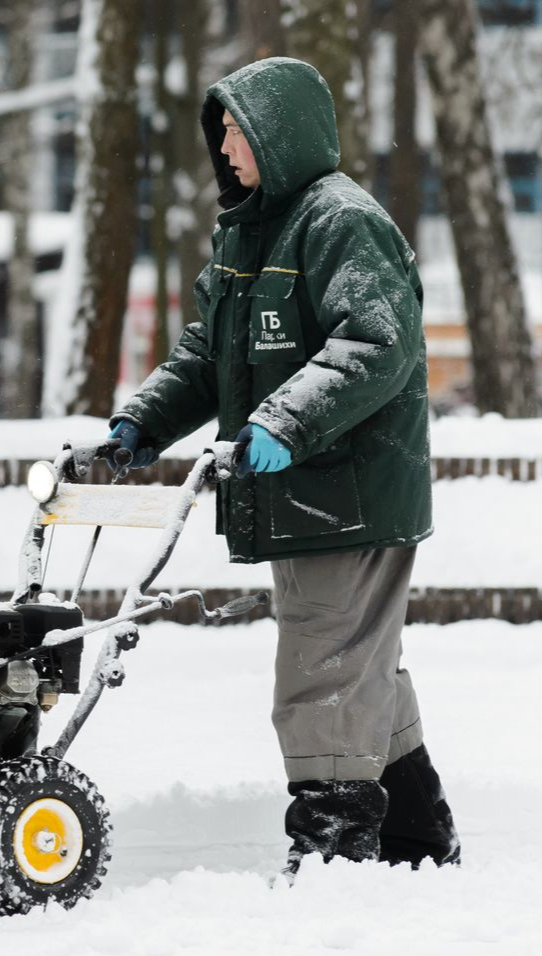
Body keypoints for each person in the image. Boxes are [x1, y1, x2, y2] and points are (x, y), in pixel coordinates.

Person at [107, 57, 460, 877]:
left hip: (350, 488)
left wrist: (283, 422)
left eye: (237, 129)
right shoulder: (251, 230)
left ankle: (335, 854)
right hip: (310, 490)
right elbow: (207, 356)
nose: (225, 146)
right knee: (359, 660)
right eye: (220, 130)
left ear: (280, 132)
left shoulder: (341, 221)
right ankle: (414, 840)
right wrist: (138, 425)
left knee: (323, 664)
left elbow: (376, 345)